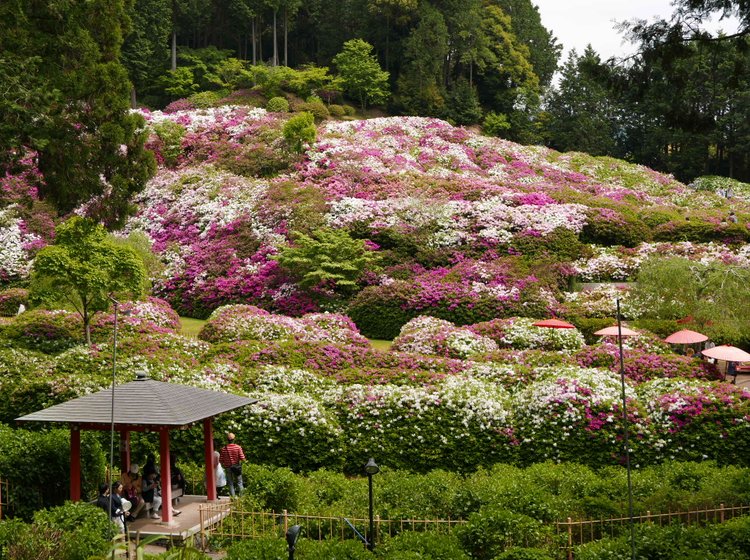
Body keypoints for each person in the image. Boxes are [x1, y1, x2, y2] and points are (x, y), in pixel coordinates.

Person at [219, 432, 246, 497]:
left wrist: (226, 463)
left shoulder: (223, 449)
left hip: (228, 468)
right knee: (239, 482)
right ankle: (242, 498)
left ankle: (233, 499)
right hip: (236, 467)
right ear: (234, 439)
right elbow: (242, 458)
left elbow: (221, 460)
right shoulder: (238, 447)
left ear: (227, 440)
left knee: (230, 483)